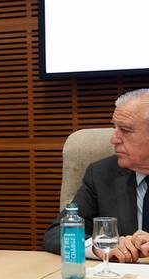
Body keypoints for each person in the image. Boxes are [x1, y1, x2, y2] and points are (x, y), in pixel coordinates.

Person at [43, 88, 149, 262]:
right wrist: (98, 247)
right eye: (114, 128)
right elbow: (57, 233)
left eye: (125, 130)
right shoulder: (102, 173)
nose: (114, 139)